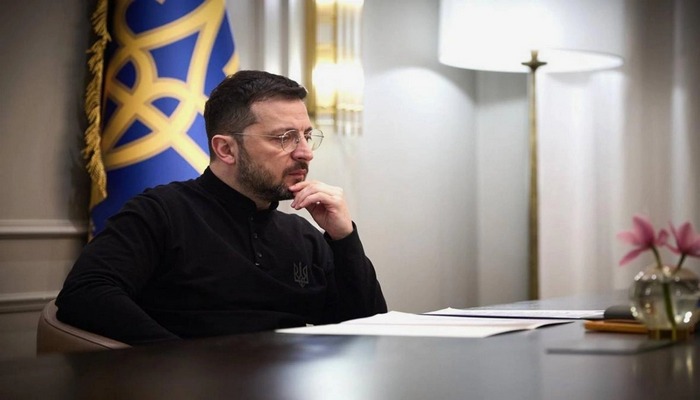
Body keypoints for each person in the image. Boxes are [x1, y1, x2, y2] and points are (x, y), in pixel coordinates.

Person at [56, 70, 387, 345]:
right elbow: (86, 294)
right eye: (284, 138)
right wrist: (181, 361)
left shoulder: (304, 235)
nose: (305, 152)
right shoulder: (162, 213)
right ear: (226, 149)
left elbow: (369, 331)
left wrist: (344, 238)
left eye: (306, 136)